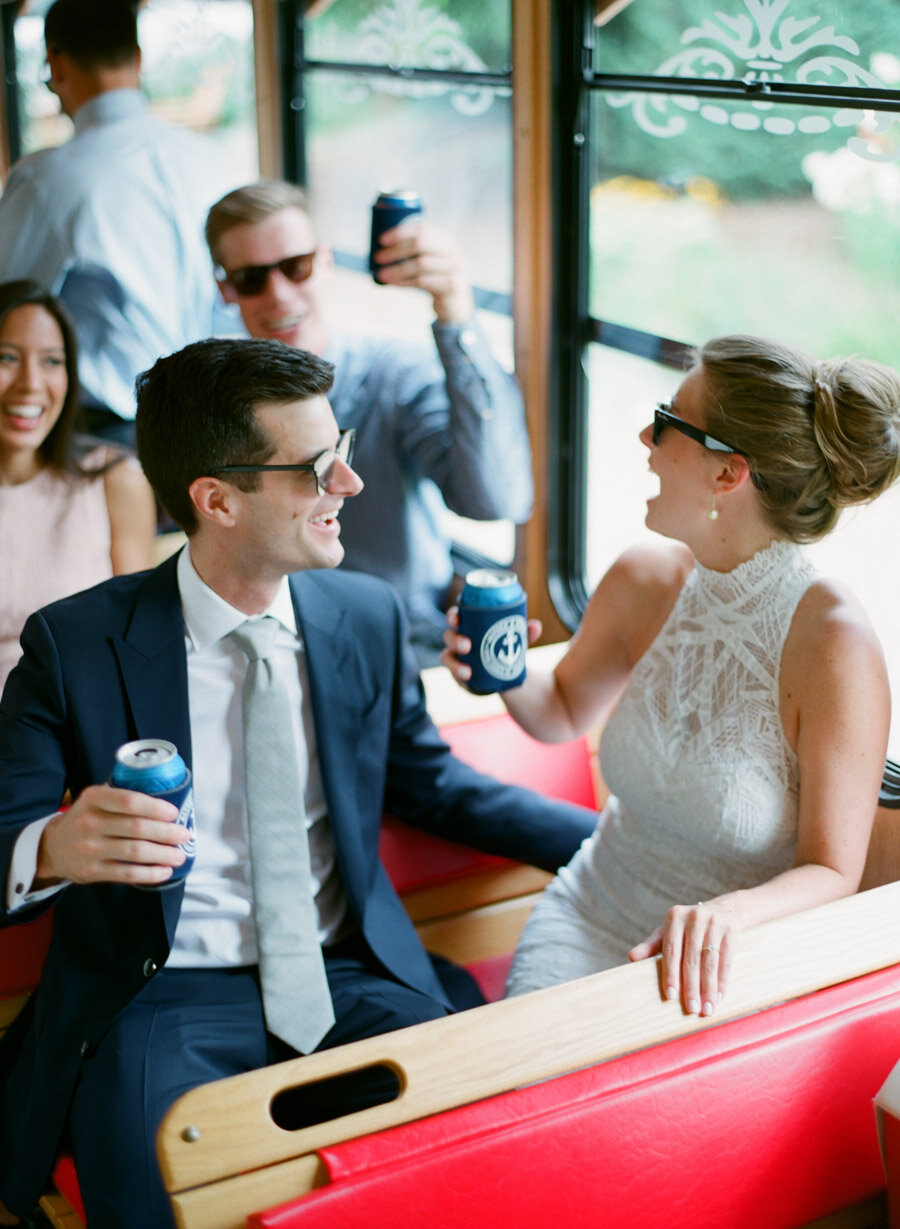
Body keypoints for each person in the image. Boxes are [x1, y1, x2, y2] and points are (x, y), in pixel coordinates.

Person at [0, 336, 593, 1229]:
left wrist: (604, 845)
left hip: (346, 968)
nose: (349, 483)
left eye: (343, 450)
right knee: (145, 1177)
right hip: (161, 991)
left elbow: (434, 787)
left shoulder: (365, 614)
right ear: (217, 500)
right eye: (318, 467)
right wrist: (51, 846)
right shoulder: (73, 644)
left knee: (484, 1139)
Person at [443, 334, 900, 1017]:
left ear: (728, 473)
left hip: (721, 966)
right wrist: (503, 671)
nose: (642, 437)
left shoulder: (833, 643)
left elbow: (835, 869)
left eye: (666, 421)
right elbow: (562, 709)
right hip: (587, 916)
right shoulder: (642, 577)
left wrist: (730, 914)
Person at [205, 179, 534, 664]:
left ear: (325, 261)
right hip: (268, 654)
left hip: (398, 652)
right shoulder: (210, 404)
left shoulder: (393, 376)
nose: (278, 295)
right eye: (252, 279)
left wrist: (455, 311)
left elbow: (496, 498)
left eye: (296, 268)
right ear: (226, 289)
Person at [0, 0, 240, 445]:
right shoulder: (211, 158)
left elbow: (8, 301)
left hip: (107, 433)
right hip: (217, 418)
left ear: (55, 62)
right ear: (138, 58)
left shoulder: (46, 180)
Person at [0, 279, 156, 690]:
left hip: (78, 725)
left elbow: (140, 644)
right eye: (7, 358)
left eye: (52, 361)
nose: (30, 384)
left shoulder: (116, 480)